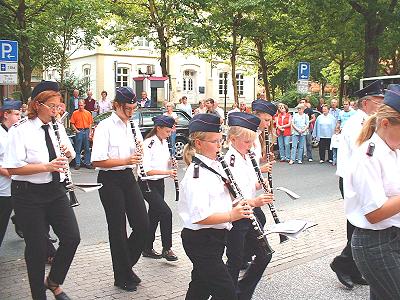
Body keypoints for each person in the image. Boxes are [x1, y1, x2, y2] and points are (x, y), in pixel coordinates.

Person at [3, 81, 80, 300]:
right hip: (27, 194)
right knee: (36, 249)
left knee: (72, 237)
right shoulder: (21, 130)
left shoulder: (57, 127)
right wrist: (46, 166)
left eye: (59, 106)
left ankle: (53, 281)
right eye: (53, 106)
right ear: (38, 105)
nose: (57, 111)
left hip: (55, 190)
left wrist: (67, 153)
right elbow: (12, 167)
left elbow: (71, 154)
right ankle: (40, 295)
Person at [178, 113, 252, 300]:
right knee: (226, 291)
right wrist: (232, 215)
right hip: (200, 239)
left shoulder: (215, 165)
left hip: (216, 237)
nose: (219, 146)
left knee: (200, 287)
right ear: (199, 143)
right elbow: (200, 216)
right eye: (214, 142)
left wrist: (239, 204)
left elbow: (221, 198)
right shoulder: (196, 175)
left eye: (220, 141)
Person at [344, 84, 400, 299]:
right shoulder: (368, 156)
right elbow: (374, 214)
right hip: (376, 244)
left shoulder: (393, 150)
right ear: (385, 123)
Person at [91, 87, 149, 292]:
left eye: (134, 108)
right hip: (109, 180)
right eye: (127, 109)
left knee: (143, 224)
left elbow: (139, 149)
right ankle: (121, 275)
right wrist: (126, 159)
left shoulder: (131, 124)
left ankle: (125, 267)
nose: (131, 112)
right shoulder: (104, 126)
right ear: (116, 105)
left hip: (127, 177)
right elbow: (97, 161)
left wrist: (140, 155)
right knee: (117, 229)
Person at [331, 80, 385, 289]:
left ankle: (352, 267)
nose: (381, 104)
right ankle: (343, 263)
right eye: (377, 101)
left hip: (361, 178)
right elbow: (363, 154)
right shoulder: (357, 123)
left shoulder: (368, 120)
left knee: (360, 223)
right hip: (354, 179)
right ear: (365, 103)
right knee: (357, 222)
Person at [224, 112, 274, 300]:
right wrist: (255, 201)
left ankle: (241, 292)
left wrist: (262, 185)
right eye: (247, 142)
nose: (251, 146)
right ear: (233, 139)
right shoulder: (230, 161)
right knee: (234, 261)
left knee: (264, 254)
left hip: (249, 213)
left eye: (252, 142)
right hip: (237, 216)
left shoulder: (246, 156)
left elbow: (249, 184)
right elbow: (232, 195)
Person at [140, 115, 178, 261]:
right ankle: (167, 248)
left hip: (159, 182)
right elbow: (147, 170)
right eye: (167, 131)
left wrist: (170, 163)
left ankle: (147, 247)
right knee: (166, 212)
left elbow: (162, 163)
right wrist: (168, 172)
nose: (169, 134)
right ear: (158, 128)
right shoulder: (148, 143)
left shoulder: (164, 142)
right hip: (147, 183)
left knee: (154, 215)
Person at [0, 99, 22, 247]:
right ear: (6, 115)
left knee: (32, 218)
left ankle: (48, 252)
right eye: (16, 114)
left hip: (20, 186)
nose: (19, 117)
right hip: (4, 189)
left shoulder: (17, 132)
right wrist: (10, 173)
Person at [70, 100, 93, 170]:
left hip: (86, 130)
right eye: (79, 105)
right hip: (79, 131)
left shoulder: (88, 113)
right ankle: (77, 164)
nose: (80, 107)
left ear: (84, 105)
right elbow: (72, 123)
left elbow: (90, 123)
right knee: (78, 148)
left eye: (81, 105)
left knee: (87, 148)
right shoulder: (75, 113)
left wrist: (90, 133)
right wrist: (76, 130)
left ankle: (87, 163)